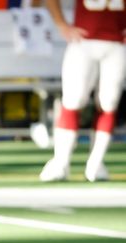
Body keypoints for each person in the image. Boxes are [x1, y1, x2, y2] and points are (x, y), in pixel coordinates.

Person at [39, 0, 126, 183]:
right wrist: (61, 24)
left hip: (117, 42)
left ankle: (96, 163)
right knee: (73, 100)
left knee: (109, 102)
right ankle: (61, 163)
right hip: (83, 41)